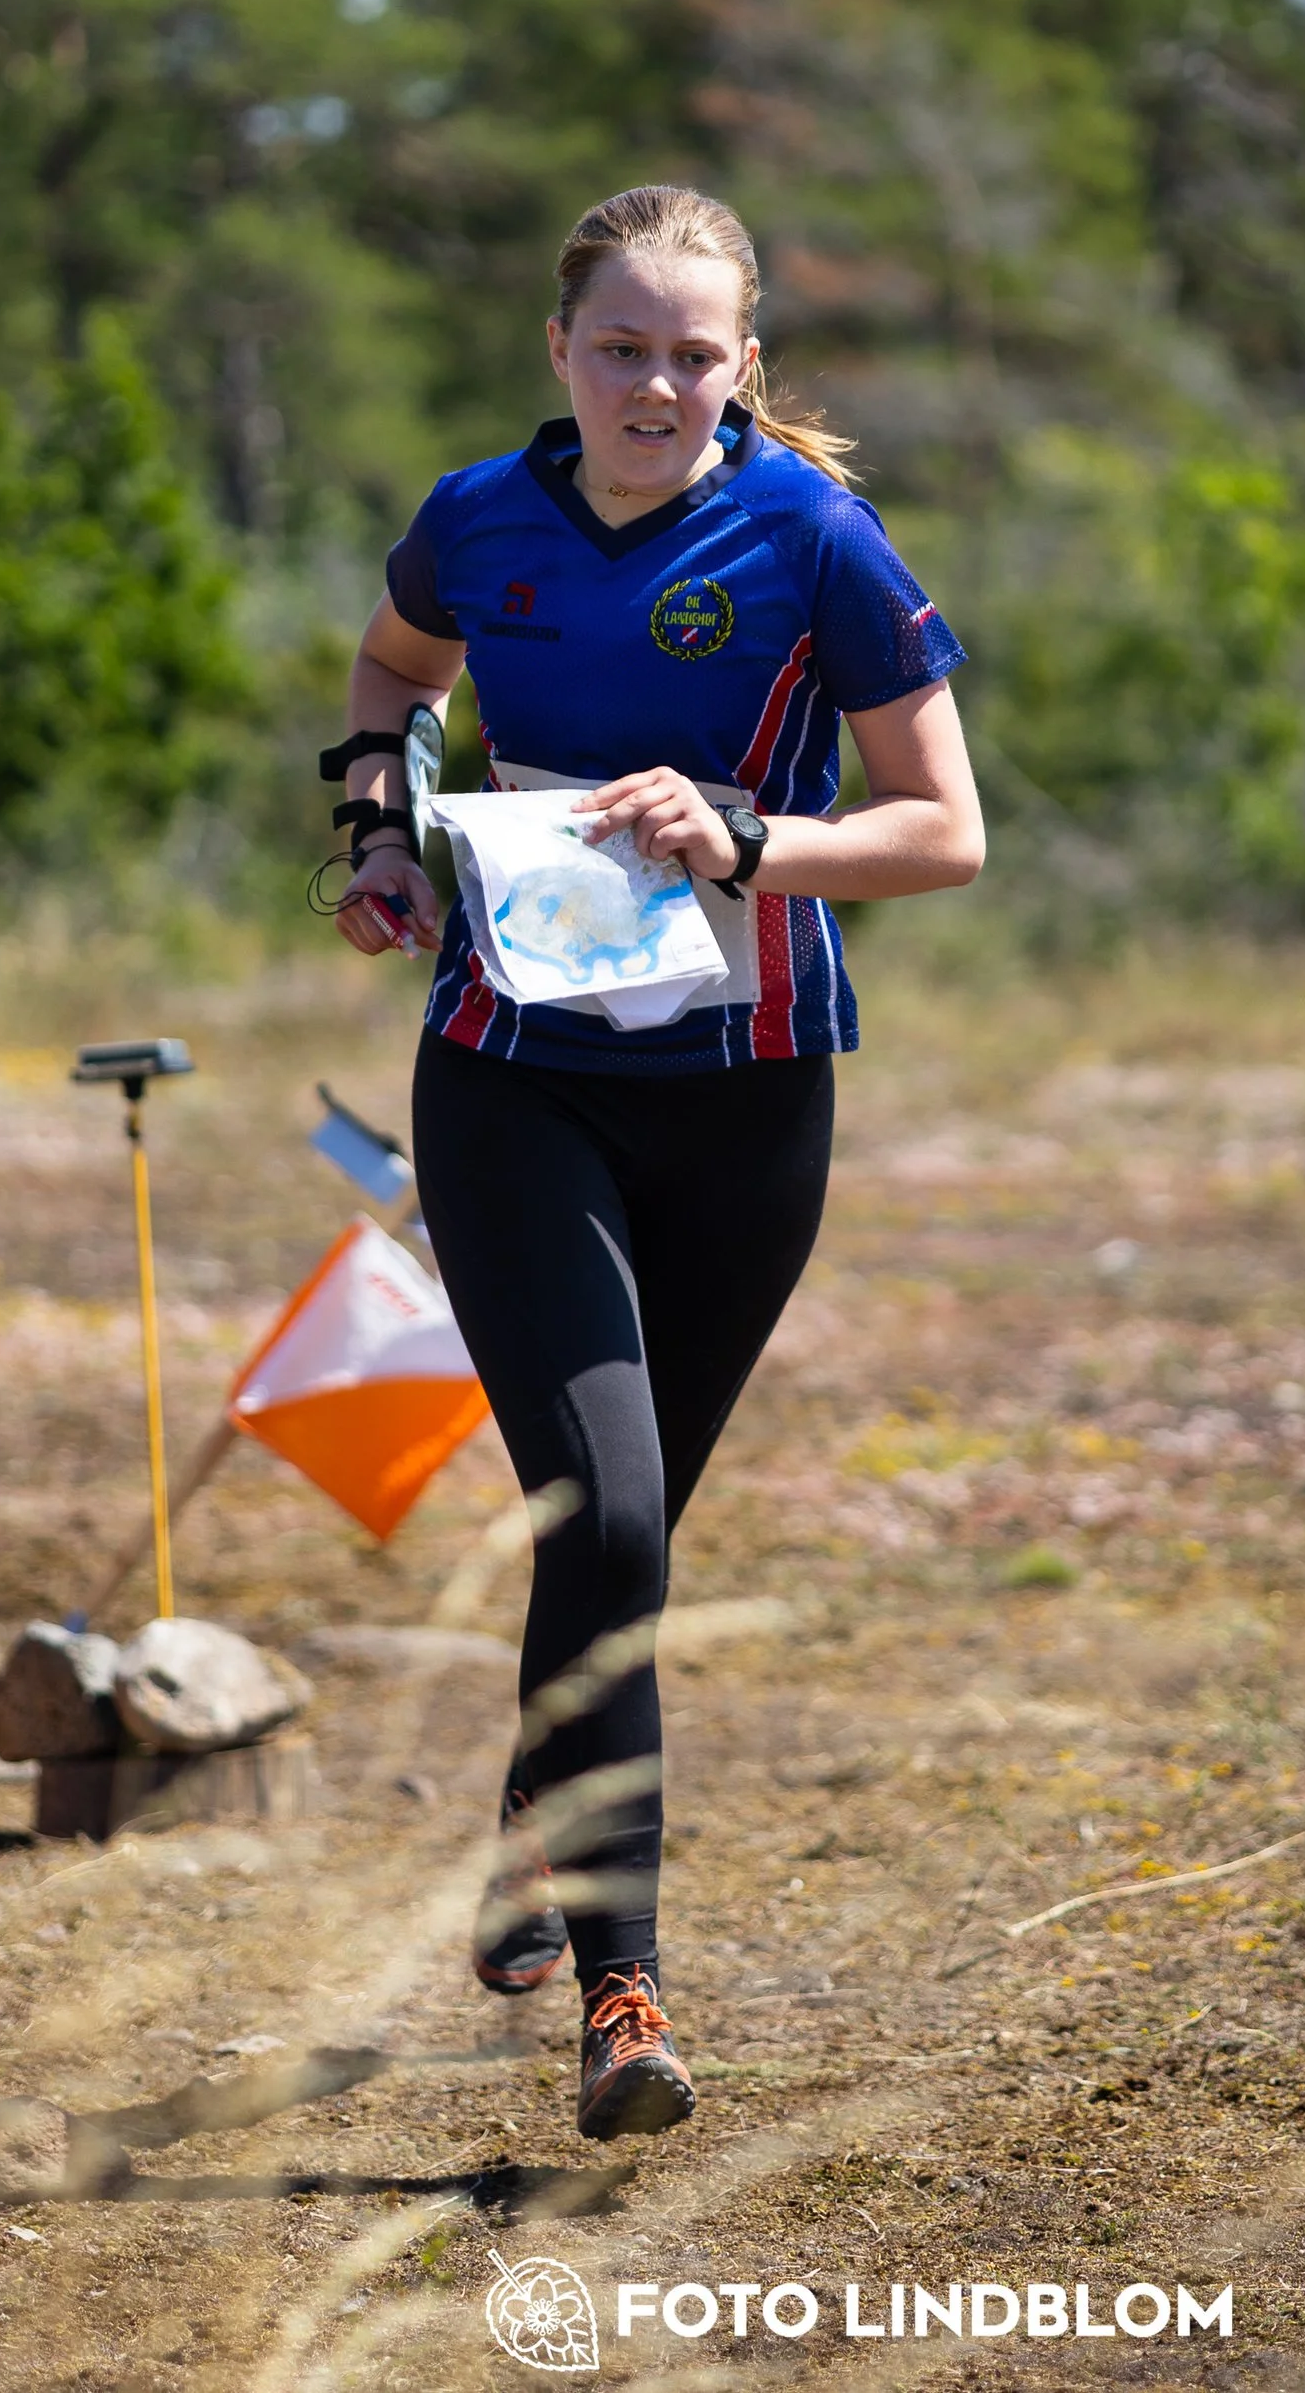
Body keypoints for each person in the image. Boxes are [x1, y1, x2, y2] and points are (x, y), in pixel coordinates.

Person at [327, 183, 984, 2138]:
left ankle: (535, 1809)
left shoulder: (813, 540)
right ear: (558, 352)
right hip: (512, 1070)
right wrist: (375, 833)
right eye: (619, 345)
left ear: (745, 366)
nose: (654, 382)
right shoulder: (475, 519)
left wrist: (743, 831)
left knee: (627, 1533)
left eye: (693, 352)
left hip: (747, 1084)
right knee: (597, 1516)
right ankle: (625, 1997)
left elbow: (941, 827)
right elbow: (389, 672)